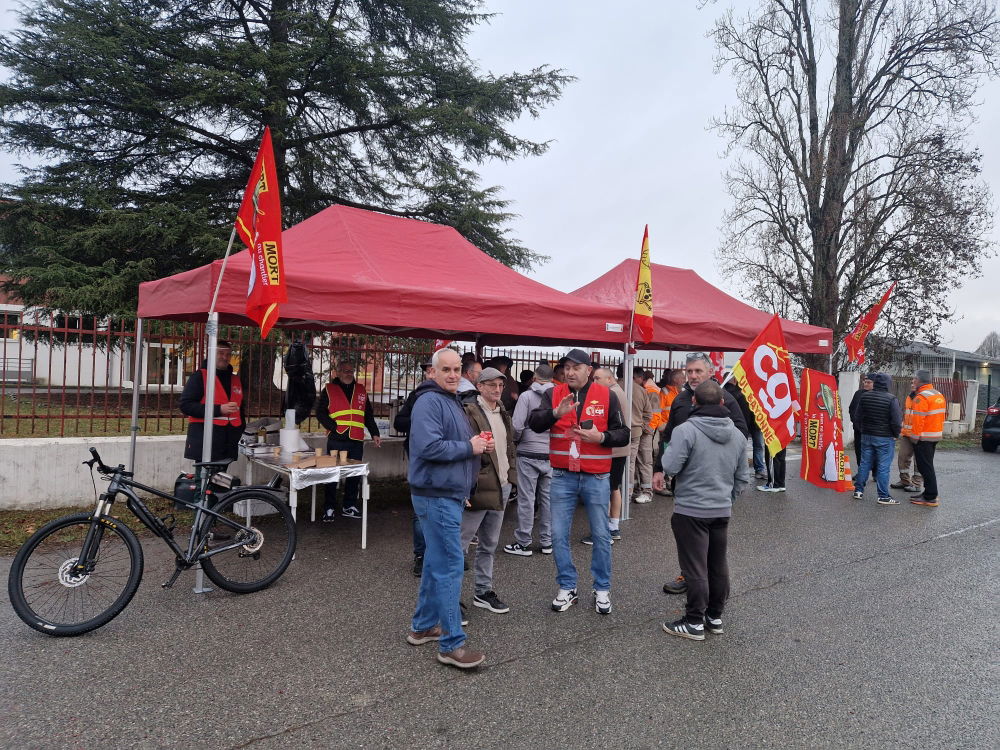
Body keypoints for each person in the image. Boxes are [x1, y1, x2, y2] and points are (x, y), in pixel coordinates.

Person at [406, 348, 492, 670]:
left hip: (445, 493)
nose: (454, 375)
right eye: (447, 370)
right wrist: (469, 447)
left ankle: (423, 626)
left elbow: (452, 444)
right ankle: (451, 644)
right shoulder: (430, 401)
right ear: (433, 372)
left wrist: (476, 445)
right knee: (451, 566)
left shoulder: (449, 400)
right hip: (436, 495)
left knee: (435, 561)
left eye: (457, 369)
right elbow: (428, 447)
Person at [527, 348, 630, 615]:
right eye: (566, 368)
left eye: (576, 367)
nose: (570, 372)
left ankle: (602, 589)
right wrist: (554, 415)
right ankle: (567, 587)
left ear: (589, 370)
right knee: (559, 534)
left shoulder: (606, 395)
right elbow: (535, 423)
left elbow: (624, 434)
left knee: (601, 535)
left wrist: (601, 438)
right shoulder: (553, 393)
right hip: (562, 476)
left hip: (597, 476)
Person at [660, 380, 749, 641]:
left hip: (691, 509)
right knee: (717, 564)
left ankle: (694, 621)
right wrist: (727, 499)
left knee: (694, 567)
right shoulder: (736, 434)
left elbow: (671, 466)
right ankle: (715, 616)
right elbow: (742, 476)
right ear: (722, 403)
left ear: (694, 402)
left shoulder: (686, 430)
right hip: (721, 509)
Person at [653, 352, 749, 595]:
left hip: (715, 484)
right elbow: (669, 435)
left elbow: (740, 433)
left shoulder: (724, 398)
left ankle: (705, 594)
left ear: (709, 372)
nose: (693, 376)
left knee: (713, 547)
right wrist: (658, 468)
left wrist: (731, 487)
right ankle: (691, 577)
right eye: (689, 371)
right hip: (685, 484)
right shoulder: (682, 399)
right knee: (689, 540)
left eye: (698, 371)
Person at [460, 368, 518, 614]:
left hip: (501, 486)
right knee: (459, 545)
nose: (497, 390)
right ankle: (452, 598)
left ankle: (483, 591)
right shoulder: (469, 412)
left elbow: (509, 448)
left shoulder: (502, 412)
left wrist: (511, 478)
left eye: (500, 386)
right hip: (479, 486)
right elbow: (465, 450)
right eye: (492, 385)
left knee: (490, 544)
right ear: (479, 386)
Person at [316, 358, 382, 521]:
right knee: (332, 474)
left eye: (351, 371)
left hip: (356, 438)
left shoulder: (361, 390)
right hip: (336, 438)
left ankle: (349, 505)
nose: (349, 374)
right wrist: (333, 427)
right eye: (345, 371)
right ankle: (329, 507)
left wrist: (375, 433)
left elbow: (368, 415)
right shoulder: (329, 389)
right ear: (337, 372)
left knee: (354, 474)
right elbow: (320, 412)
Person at [504, 364, 555, 556]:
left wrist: (518, 441)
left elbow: (516, 426)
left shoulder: (526, 396)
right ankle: (547, 542)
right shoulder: (558, 397)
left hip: (528, 452)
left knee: (527, 499)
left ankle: (523, 542)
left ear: (535, 377)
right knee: (548, 499)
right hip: (551, 454)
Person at [393, 360, 434, 576]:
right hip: (419, 455)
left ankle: (443, 554)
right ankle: (420, 555)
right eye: (428, 370)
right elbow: (399, 422)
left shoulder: (454, 397)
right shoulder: (416, 395)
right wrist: (420, 420)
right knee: (421, 507)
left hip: (447, 460)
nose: (430, 373)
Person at [179, 340, 244, 464]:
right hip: (205, 441)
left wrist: (240, 430)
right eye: (220, 353)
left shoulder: (235, 379)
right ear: (211, 354)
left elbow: (241, 408)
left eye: (228, 354)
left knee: (222, 482)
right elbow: (186, 405)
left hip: (229, 443)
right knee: (204, 481)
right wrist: (219, 409)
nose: (225, 357)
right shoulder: (199, 376)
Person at [851, 372, 902, 504]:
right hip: (884, 438)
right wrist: (896, 434)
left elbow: (857, 417)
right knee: (883, 466)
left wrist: (863, 430)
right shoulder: (891, 399)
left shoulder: (865, 396)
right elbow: (896, 421)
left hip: (866, 436)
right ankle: (883, 496)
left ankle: (858, 490)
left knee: (864, 463)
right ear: (888, 384)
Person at [592, 367, 630, 542]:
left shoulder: (612, 394)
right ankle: (612, 526)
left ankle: (607, 529)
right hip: (617, 447)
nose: (594, 382)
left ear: (609, 379)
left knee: (607, 488)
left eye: (598, 378)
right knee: (612, 487)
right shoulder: (617, 391)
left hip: (613, 448)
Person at [907, 370, 947, 507]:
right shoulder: (938, 395)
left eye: (914, 379)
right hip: (934, 436)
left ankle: (930, 496)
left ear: (919, 380)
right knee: (927, 466)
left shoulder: (921, 397)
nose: (913, 381)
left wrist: (914, 438)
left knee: (925, 468)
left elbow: (918, 420)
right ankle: (927, 493)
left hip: (923, 438)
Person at [617, 363, 654, 504]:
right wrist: (641, 425)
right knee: (632, 462)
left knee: (619, 462)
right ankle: (630, 492)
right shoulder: (640, 390)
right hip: (636, 432)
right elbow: (649, 414)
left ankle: (621, 491)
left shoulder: (612, 389)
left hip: (615, 432)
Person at [891, 382, 924, 493]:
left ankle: (917, 484)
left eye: (914, 383)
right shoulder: (909, 397)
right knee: (903, 457)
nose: (912, 385)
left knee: (919, 460)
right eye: (911, 383)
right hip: (907, 433)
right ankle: (905, 480)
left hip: (920, 434)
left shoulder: (924, 397)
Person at [848, 373, 875, 468]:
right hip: (858, 429)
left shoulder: (877, 395)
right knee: (859, 451)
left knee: (873, 453)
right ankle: (861, 472)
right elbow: (852, 408)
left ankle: (875, 473)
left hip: (871, 431)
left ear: (874, 383)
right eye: (865, 382)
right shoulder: (858, 393)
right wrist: (855, 422)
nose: (866, 384)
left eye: (869, 382)